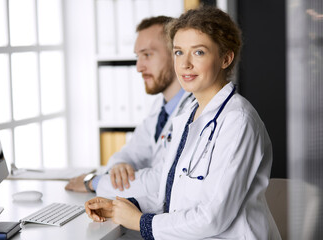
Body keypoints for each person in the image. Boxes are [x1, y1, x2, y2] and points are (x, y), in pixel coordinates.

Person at [84, 5, 282, 240]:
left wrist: (139, 221)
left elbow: (212, 217)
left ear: (226, 58)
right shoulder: (189, 113)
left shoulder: (238, 121)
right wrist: (121, 206)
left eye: (198, 52)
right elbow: (169, 195)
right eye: (179, 52)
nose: (185, 64)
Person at [65, 16, 194, 197]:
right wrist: (119, 167)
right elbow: (129, 153)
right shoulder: (160, 108)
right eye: (138, 57)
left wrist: (94, 182)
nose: (139, 67)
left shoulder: (195, 111)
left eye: (147, 55)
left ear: (176, 53)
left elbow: (162, 181)